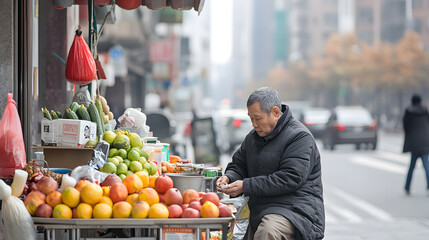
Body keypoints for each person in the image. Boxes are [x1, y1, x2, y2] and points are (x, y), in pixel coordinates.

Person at [216, 87, 325, 240]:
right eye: (251, 118)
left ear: (275, 112)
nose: (254, 124)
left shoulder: (299, 137)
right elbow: (239, 164)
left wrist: (246, 185)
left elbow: (290, 178)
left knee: (267, 232)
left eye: (257, 118)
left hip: (295, 210)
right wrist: (229, 177)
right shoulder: (253, 137)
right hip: (260, 207)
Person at [402, 94, 429, 195]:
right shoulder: (425, 110)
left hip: (414, 143)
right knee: (426, 165)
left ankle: (407, 187)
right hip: (425, 142)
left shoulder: (409, 111)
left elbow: (405, 126)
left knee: (412, 167)